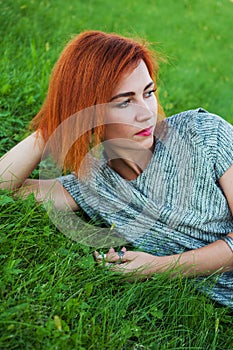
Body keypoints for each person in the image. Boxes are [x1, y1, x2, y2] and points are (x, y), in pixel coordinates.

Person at [0, 30, 233, 308]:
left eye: (148, 93)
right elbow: (6, 188)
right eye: (124, 101)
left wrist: (158, 267)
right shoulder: (95, 182)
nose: (146, 112)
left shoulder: (204, 134)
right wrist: (54, 124)